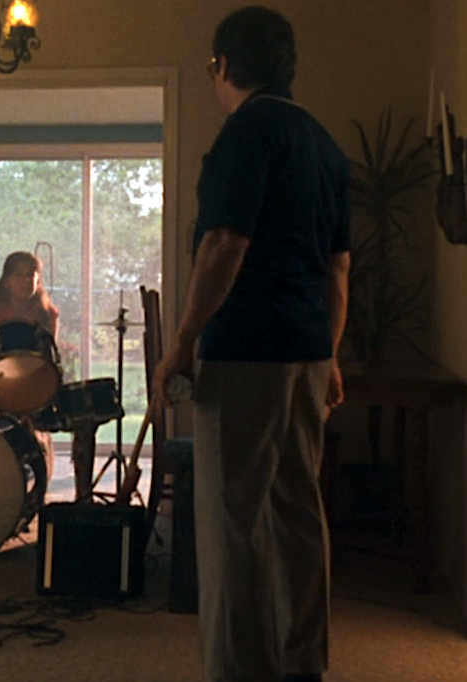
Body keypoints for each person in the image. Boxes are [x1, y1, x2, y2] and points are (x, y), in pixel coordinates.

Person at [151, 7, 351, 682]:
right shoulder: (323, 145)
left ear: (223, 66)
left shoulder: (244, 131)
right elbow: (338, 268)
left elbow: (224, 242)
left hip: (243, 354)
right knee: (296, 511)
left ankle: (242, 671)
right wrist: (329, 355)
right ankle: (302, 665)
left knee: (232, 521)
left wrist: (182, 340)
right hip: (306, 355)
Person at [0, 251, 60, 483]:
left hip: (36, 389)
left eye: (31, 275)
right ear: (6, 280)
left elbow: (48, 360)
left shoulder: (48, 314)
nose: (25, 280)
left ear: (38, 279)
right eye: (18, 274)